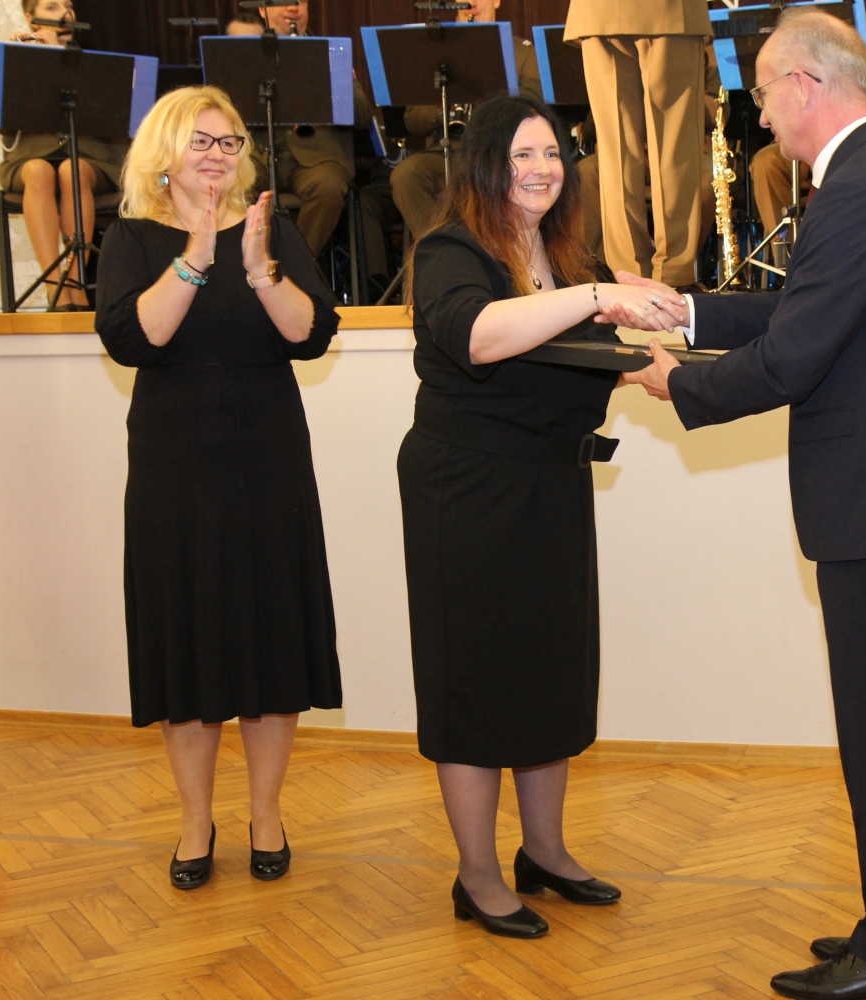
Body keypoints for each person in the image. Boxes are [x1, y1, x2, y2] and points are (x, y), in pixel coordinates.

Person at [614, 10, 866, 999]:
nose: (763, 116)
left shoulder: (858, 189)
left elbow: (792, 357)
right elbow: (805, 312)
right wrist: (687, 310)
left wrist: (677, 383)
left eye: (766, 93)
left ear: (807, 85)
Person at [397, 94, 682, 939]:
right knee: (474, 683)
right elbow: (479, 337)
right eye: (523, 154)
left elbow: (578, 358)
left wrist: (659, 356)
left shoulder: (565, 256)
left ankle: (545, 853)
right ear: (486, 164)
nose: (543, 168)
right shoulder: (452, 250)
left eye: (553, 153)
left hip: (550, 488)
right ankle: (477, 875)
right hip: (466, 495)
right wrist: (597, 296)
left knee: (548, 674)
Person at [93, 86, 342, 890]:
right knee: (187, 653)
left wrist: (259, 270)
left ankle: (266, 815)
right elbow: (137, 337)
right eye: (201, 141)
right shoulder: (131, 237)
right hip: (176, 467)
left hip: (269, 457)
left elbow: (310, 334)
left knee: (272, 643)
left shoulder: (273, 229)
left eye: (229, 142)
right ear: (163, 154)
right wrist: (196, 256)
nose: (217, 155)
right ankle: (194, 821)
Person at [565, 0, 710, 287]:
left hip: (599, 11)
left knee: (615, 152)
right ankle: (673, 279)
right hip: (670, 10)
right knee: (675, 147)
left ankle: (628, 278)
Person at [0, 0, 126, 309]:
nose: (65, 14)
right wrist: (19, 64)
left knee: (72, 170)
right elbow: (0, 122)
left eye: (68, 6)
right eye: (52, 8)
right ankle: (55, 283)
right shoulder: (18, 59)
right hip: (28, 160)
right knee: (39, 171)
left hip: (89, 160)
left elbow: (117, 119)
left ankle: (76, 282)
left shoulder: (94, 65)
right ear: (32, 19)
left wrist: (60, 59)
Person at [749, 1, 866, 234]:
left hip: (853, 138)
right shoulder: (797, 29)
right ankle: (785, 246)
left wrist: (857, 68)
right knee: (766, 163)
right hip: (806, 131)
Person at [390, 0, 544, 235]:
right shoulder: (434, 53)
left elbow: (532, 108)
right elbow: (413, 121)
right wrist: (444, 108)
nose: (471, 1)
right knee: (406, 175)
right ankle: (439, 250)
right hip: (448, 152)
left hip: (498, 154)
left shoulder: (523, 53)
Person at [252, 0, 375, 257]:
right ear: (262, 10)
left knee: (328, 188)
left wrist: (338, 78)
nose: (293, 8)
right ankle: (244, 265)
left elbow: (362, 116)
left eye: (301, 2)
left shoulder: (330, 51)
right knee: (229, 183)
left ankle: (296, 268)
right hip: (261, 156)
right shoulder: (246, 54)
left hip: (317, 161)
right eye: (284, 1)